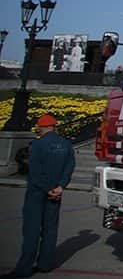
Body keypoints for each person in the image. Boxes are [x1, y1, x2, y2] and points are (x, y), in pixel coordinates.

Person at [12, 114, 75, 277]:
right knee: (50, 229)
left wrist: (47, 189)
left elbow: (34, 171)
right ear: (54, 126)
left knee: (32, 230)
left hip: (37, 192)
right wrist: (60, 187)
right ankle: (45, 264)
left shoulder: (37, 145)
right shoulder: (66, 145)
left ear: (42, 127)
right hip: (56, 192)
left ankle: (24, 267)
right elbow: (69, 167)